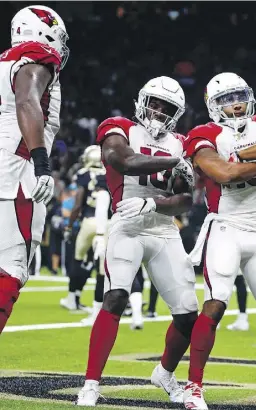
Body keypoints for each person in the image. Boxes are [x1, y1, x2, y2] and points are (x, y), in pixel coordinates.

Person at [76, 76, 198, 406]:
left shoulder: (181, 142)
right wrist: (175, 162)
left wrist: (154, 202)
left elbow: (187, 200)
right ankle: (90, 383)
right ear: (142, 101)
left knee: (188, 314)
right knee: (115, 297)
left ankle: (165, 373)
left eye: (167, 107)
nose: (158, 111)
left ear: (176, 113)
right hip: (127, 227)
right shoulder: (118, 127)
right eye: (155, 103)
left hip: (163, 230)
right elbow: (121, 160)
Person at [183, 72, 256, 410]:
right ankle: (193, 388)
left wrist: (240, 155)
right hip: (225, 228)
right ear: (213, 106)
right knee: (214, 306)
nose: (237, 104)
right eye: (227, 99)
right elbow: (223, 174)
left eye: (240, 96)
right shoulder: (202, 133)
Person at [0, 5, 69, 334]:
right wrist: (42, 165)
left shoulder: (4, 62)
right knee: (11, 271)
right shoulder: (37, 58)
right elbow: (27, 101)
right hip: (15, 174)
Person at [61, 145, 110, 311]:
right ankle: (98, 306)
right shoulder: (109, 174)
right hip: (106, 223)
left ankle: (72, 297)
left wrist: (69, 225)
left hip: (88, 222)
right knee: (101, 267)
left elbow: (77, 205)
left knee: (77, 259)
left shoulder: (83, 174)